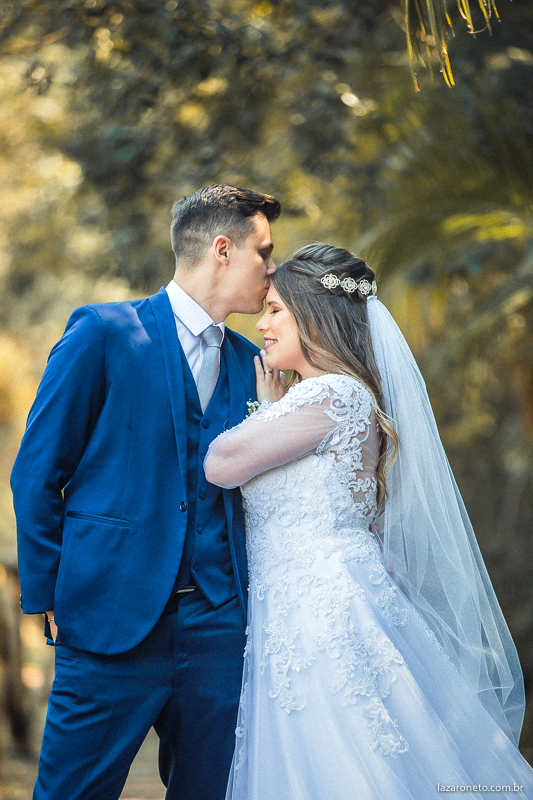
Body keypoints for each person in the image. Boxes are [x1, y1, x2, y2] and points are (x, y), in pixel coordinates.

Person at [204, 243, 533, 800]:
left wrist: (264, 410)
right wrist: (275, 409)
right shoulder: (329, 397)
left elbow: (220, 463)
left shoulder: (333, 395)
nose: (262, 323)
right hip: (303, 602)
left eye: (277, 310)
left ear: (315, 319)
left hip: (319, 610)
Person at [11, 184, 281, 800]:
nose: (271, 270)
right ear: (222, 249)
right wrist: (51, 591)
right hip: (107, 620)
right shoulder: (104, 333)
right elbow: (36, 472)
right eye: (263, 253)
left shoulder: (253, 365)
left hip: (218, 630)